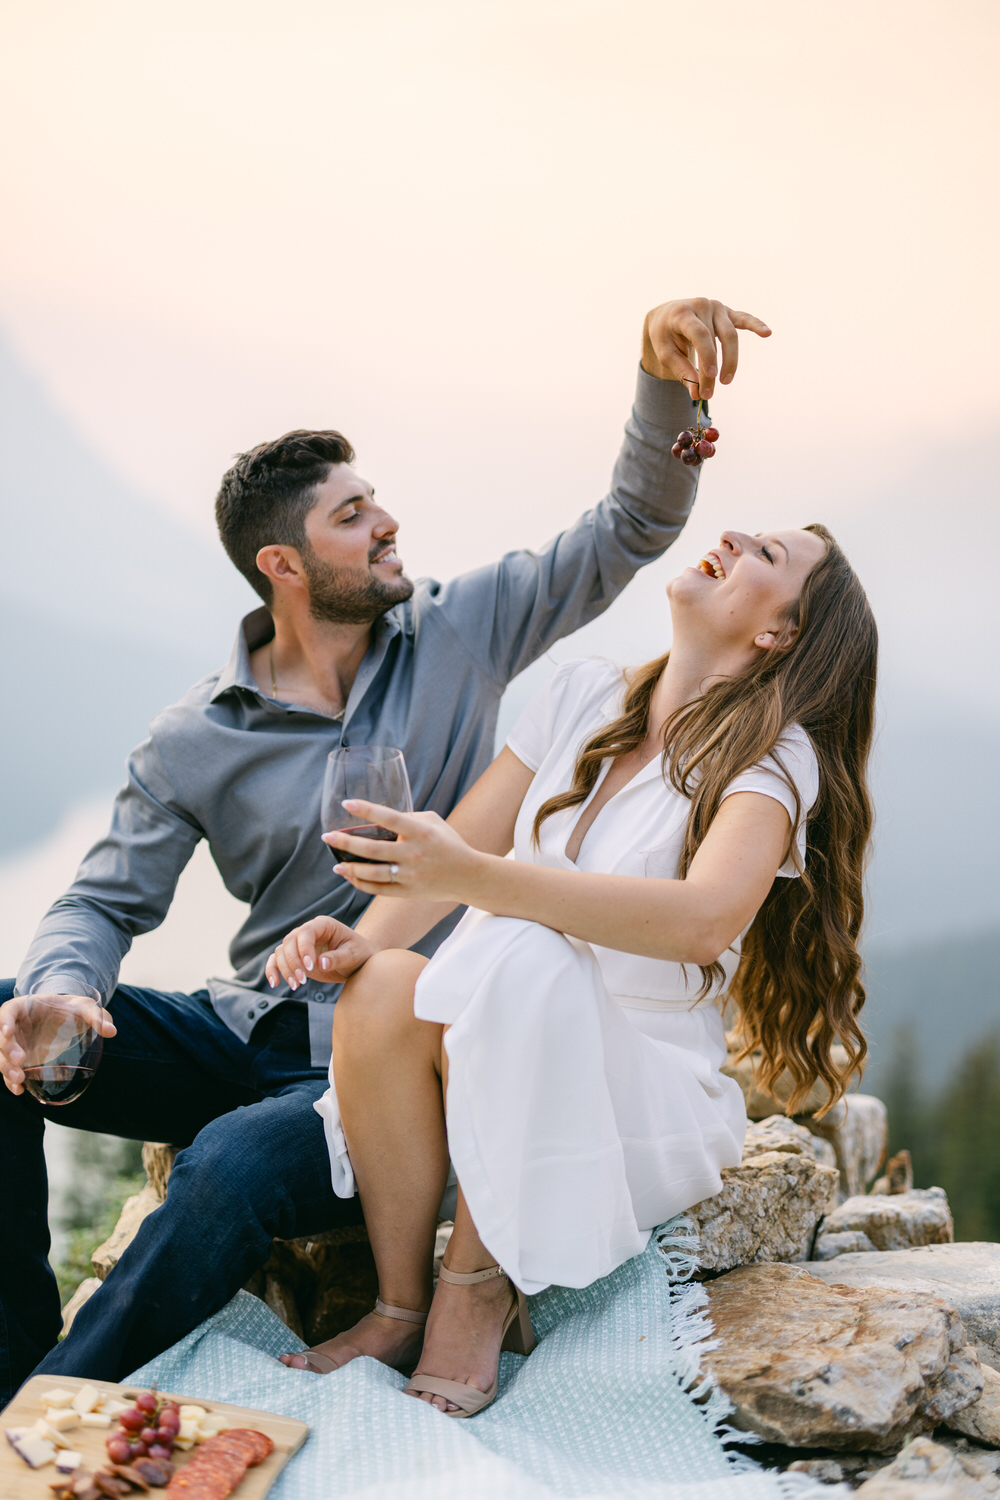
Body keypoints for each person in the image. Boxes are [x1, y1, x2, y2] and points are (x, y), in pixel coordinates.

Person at [0, 297, 772, 1407]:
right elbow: (101, 899)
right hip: (247, 1025)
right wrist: (61, 991)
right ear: (286, 564)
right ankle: (12, 1352)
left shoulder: (467, 627)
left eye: (377, 502)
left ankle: (37, 1416)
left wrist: (664, 380)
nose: (388, 524)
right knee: (1, 1024)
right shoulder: (195, 736)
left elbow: (629, 526)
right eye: (354, 516)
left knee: (224, 1174)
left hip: (388, 1061)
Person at [265, 517, 877, 1416]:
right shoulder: (583, 693)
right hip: (511, 1035)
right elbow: (464, 843)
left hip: (639, 1091)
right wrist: (369, 936)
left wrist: (483, 881)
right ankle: (400, 1305)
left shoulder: (776, 760)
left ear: (778, 632)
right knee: (387, 982)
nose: (737, 535)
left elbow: (704, 922)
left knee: (528, 937)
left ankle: (473, 1296)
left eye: (768, 556)